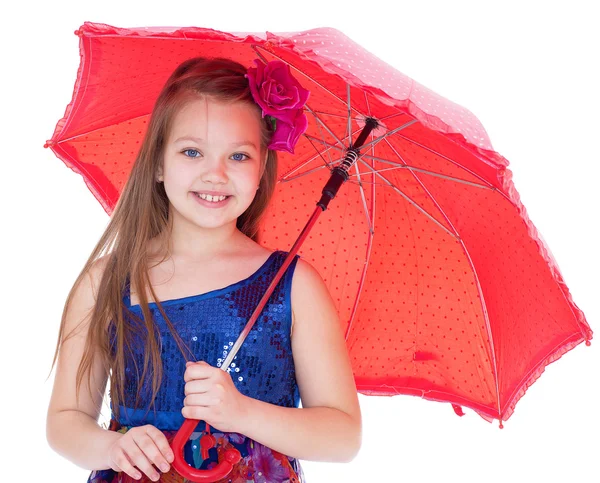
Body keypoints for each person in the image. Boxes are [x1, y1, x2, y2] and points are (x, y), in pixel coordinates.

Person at [45, 56, 362, 483]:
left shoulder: (293, 286)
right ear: (158, 163)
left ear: (261, 170)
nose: (215, 174)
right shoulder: (106, 282)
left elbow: (343, 436)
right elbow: (65, 421)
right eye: (192, 151)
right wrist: (112, 446)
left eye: (238, 155)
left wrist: (242, 412)